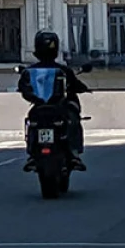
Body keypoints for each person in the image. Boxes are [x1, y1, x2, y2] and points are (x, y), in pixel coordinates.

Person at [19, 30, 90, 170]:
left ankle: (33, 154)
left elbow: (22, 87)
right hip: (57, 107)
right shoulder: (62, 69)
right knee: (72, 118)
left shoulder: (31, 70)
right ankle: (73, 153)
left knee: (33, 120)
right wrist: (83, 88)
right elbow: (76, 85)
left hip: (41, 106)